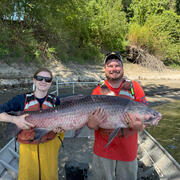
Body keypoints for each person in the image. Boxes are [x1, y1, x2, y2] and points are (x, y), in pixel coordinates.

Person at [87, 52, 148, 180]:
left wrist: (139, 126)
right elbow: (90, 125)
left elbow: (145, 119)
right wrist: (92, 124)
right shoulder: (97, 91)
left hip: (127, 153)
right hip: (103, 152)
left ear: (122, 68)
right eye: (110, 66)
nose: (114, 69)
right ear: (105, 69)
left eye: (117, 65)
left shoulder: (135, 88)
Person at [0, 68, 64, 180]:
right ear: (34, 80)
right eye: (40, 78)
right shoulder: (20, 100)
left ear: (50, 83)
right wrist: (14, 120)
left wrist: (61, 129)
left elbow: (65, 123)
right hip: (27, 149)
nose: (43, 81)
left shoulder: (57, 101)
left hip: (50, 147)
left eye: (47, 79)